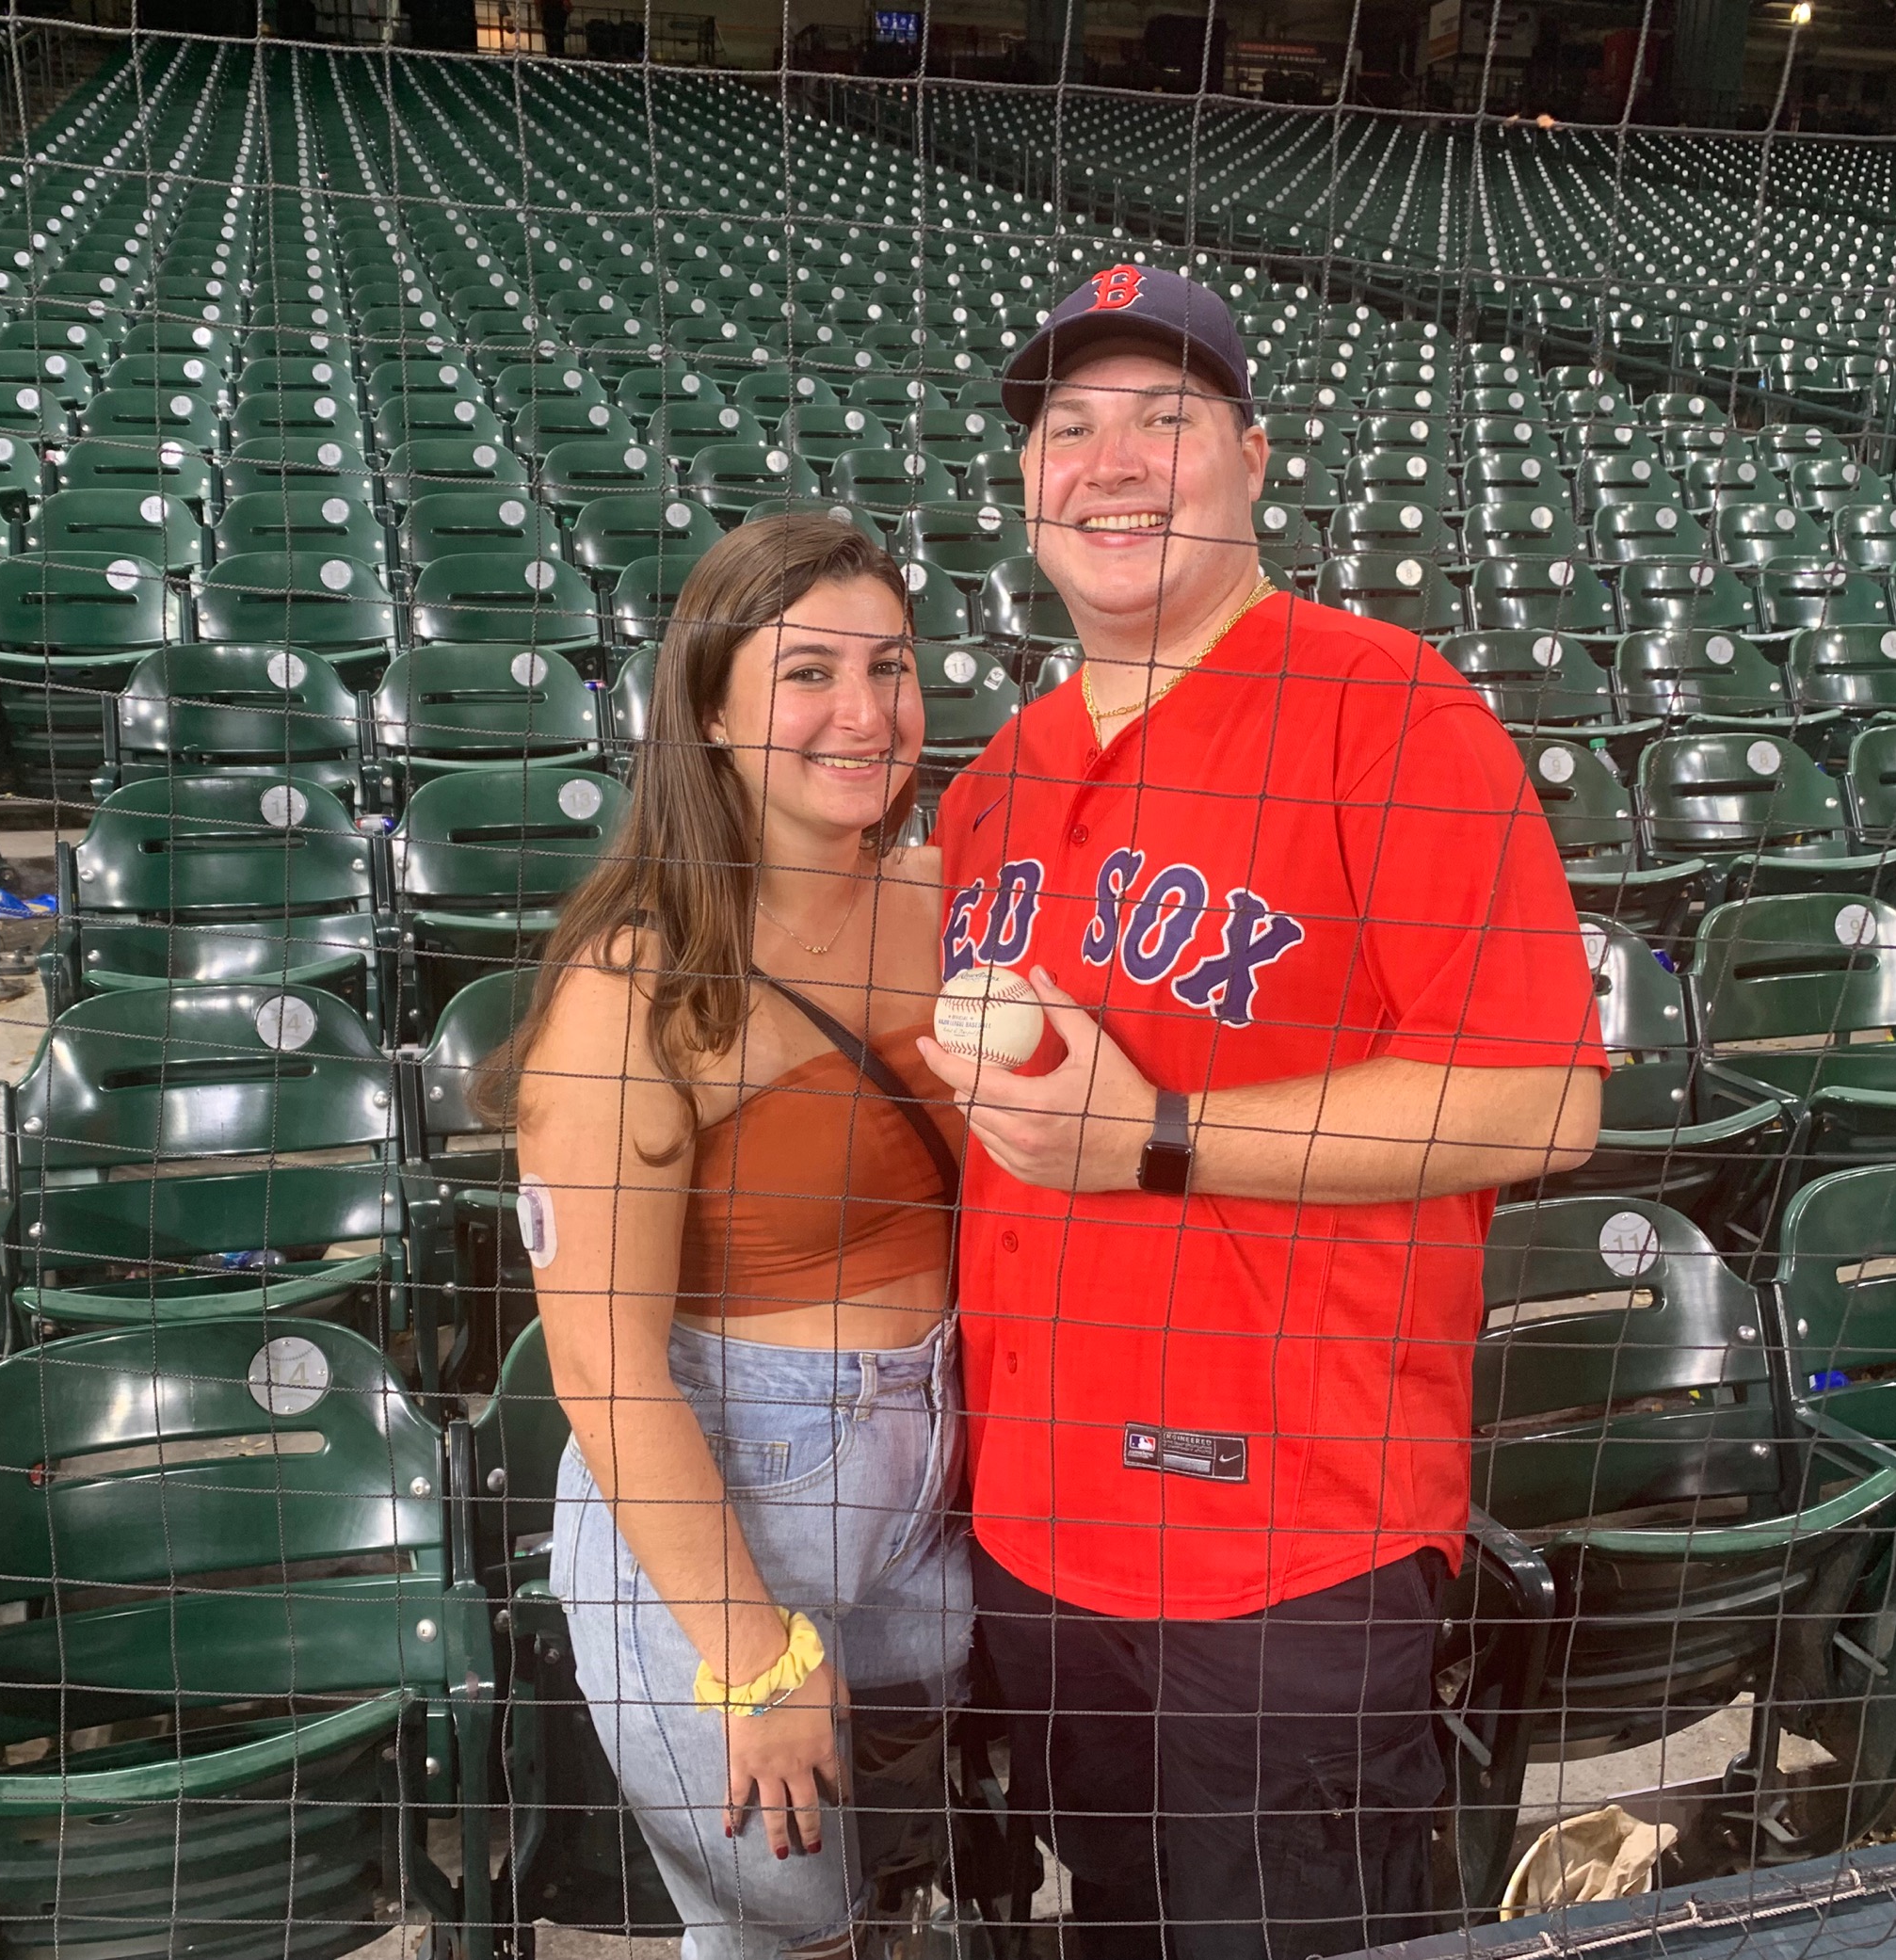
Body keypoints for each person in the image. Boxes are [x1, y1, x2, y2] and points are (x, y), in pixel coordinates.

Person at [916, 266, 1607, 1959]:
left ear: (1255, 457)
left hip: (1290, 1541)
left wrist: (1162, 1136)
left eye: (1170, 417)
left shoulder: (1390, 705)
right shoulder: (993, 783)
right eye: (1070, 428)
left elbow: (1544, 1096)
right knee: (1124, 1922)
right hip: (1039, 1532)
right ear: (1027, 485)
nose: (1115, 461)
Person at [511, 514, 972, 1960]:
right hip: (724, 1524)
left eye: (890, 668)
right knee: (787, 1935)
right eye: (809, 673)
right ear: (709, 711)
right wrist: (752, 1654)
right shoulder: (635, 979)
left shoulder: (947, 896)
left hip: (936, 1503)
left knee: (887, 1901)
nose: (865, 712)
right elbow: (599, 1366)